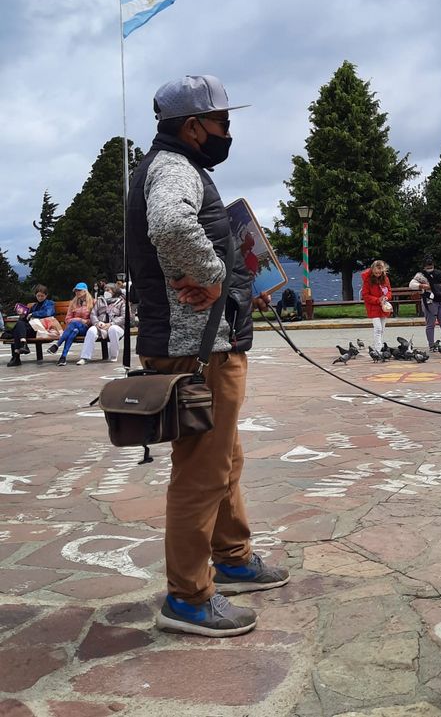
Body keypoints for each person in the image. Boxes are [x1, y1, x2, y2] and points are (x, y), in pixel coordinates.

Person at [127, 74, 288, 638]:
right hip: (196, 349)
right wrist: (216, 278)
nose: (228, 132)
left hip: (202, 343)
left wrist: (240, 278)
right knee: (201, 472)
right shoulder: (174, 169)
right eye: (222, 122)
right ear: (192, 126)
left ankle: (234, 557)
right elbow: (171, 224)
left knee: (224, 458)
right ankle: (189, 597)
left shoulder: (176, 166)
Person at [409, 255, 441, 350]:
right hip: (429, 301)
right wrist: (423, 286)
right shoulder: (420, 275)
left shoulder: (438, 273)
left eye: (431, 266)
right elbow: (411, 285)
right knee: (431, 324)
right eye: (427, 266)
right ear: (424, 266)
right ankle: (431, 345)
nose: (429, 268)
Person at [6, 285, 58, 367]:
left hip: (43, 329)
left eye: (42, 296)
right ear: (35, 295)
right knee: (19, 324)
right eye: (38, 296)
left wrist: (33, 314)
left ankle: (16, 357)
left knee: (17, 330)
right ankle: (23, 343)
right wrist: (23, 316)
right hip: (33, 329)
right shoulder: (34, 306)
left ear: (46, 295)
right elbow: (26, 319)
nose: (40, 298)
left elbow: (48, 313)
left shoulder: (50, 304)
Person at [76, 283, 126, 364]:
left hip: (116, 326)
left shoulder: (121, 302)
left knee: (113, 330)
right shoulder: (100, 300)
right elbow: (93, 313)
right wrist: (97, 323)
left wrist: (111, 324)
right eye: (105, 290)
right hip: (100, 325)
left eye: (108, 290)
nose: (106, 292)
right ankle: (84, 357)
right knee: (91, 330)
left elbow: (124, 317)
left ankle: (113, 356)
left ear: (114, 291)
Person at [46, 283, 93, 366]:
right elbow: (67, 319)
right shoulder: (73, 303)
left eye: (79, 290)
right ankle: (63, 357)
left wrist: (80, 320)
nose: (77, 292)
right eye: (76, 291)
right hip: (74, 328)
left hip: (86, 328)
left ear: (85, 291)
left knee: (74, 323)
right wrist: (76, 320)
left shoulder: (92, 302)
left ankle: (57, 345)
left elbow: (93, 319)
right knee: (74, 330)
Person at [361, 259, 392, 350]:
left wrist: (386, 297)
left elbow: (389, 291)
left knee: (382, 329)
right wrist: (378, 300)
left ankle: (380, 346)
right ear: (373, 270)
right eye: (376, 272)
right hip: (373, 306)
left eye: (379, 272)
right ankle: (378, 348)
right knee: (378, 328)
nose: (378, 274)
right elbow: (365, 295)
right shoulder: (367, 280)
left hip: (383, 306)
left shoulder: (385, 278)